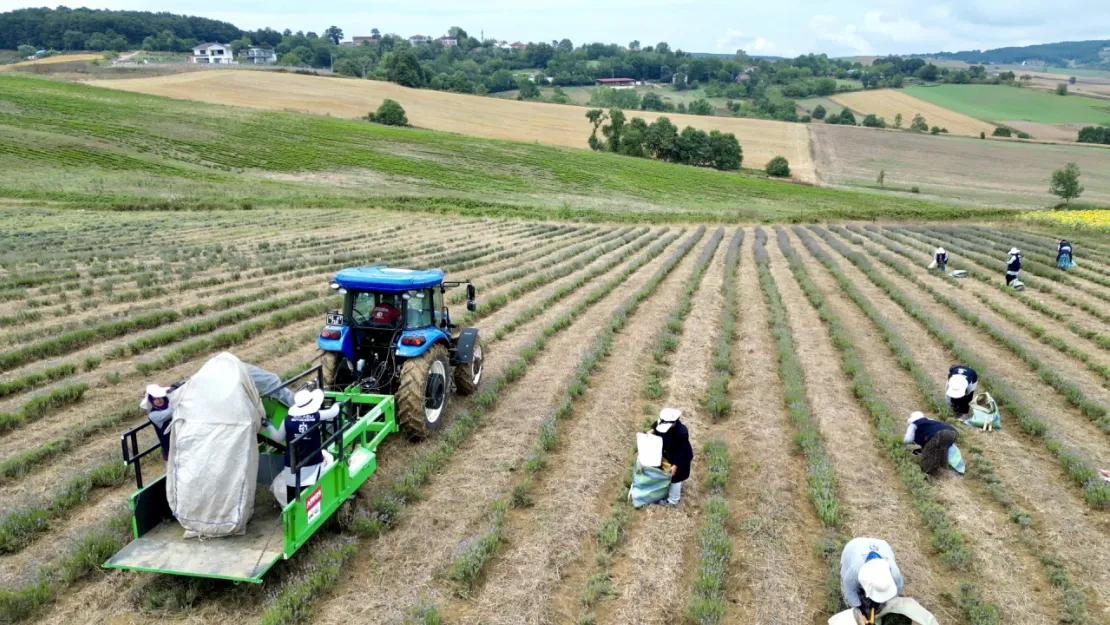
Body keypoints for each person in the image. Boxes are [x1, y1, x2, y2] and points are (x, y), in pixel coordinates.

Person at [263, 386, 341, 505]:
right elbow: (334, 412)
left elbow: (278, 438)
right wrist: (337, 404)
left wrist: (268, 425)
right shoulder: (316, 416)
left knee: (292, 496)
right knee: (310, 496)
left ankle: (291, 515)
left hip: (292, 465)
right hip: (312, 462)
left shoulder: (287, 419)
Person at [840, 537, 904, 619]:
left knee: (878, 605)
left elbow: (897, 589)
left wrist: (882, 602)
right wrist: (858, 607)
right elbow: (849, 588)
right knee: (852, 604)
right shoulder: (855, 570)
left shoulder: (895, 573)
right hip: (854, 547)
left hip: (881, 546)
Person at [648, 408, 693, 507]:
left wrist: (675, 465)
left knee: (676, 477)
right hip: (669, 452)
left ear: (673, 423)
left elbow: (681, 451)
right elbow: (656, 425)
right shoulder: (662, 421)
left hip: (681, 457)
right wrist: (652, 430)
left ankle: (673, 501)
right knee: (669, 472)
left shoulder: (681, 432)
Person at [140, 382, 183, 459]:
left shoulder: (168, 403)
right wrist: (177, 393)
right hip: (171, 449)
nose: (158, 401)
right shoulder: (153, 415)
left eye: (159, 397)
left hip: (181, 442)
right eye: (154, 399)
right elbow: (171, 411)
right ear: (151, 402)